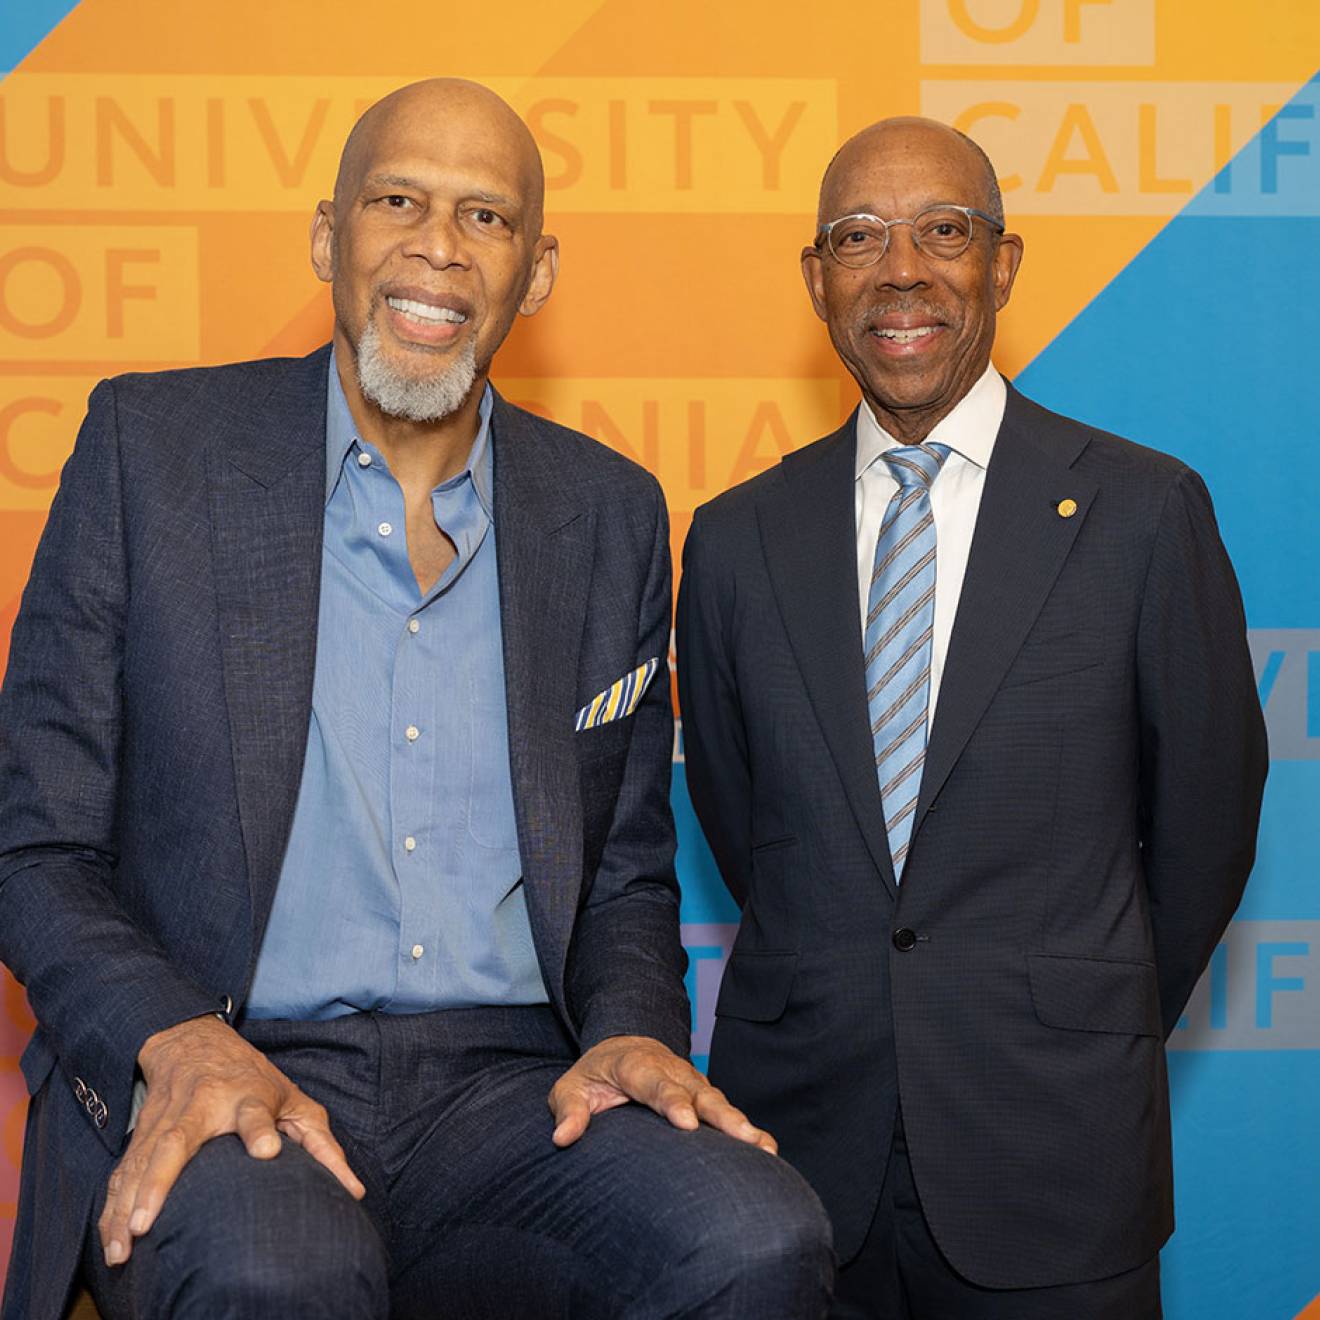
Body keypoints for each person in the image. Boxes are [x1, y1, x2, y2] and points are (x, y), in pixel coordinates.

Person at [0, 79, 833, 1320]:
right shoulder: (152, 450)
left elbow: (622, 872)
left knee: (754, 1236)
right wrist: (172, 1037)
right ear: (330, 236)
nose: (438, 248)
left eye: (486, 218)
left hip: (511, 1093)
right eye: (399, 200)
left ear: (536, 274)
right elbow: (37, 844)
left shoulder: (608, 511)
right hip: (236, 1060)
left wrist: (630, 1026)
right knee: (283, 1271)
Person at [675, 116, 1267, 1320]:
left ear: (1003, 264)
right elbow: (750, 832)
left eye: (945, 230)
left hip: (1056, 1154)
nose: (903, 270)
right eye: (858, 237)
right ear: (816, 281)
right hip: (798, 1160)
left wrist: (1068, 1011)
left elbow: (1205, 824)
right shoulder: (734, 539)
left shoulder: (1144, 513)